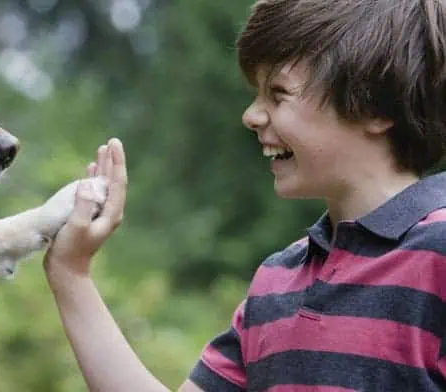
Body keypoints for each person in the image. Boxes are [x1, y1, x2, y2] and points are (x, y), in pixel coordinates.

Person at [42, 0, 446, 391]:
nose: (251, 115)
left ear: (375, 106)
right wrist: (71, 274)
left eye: (278, 93)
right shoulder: (277, 280)